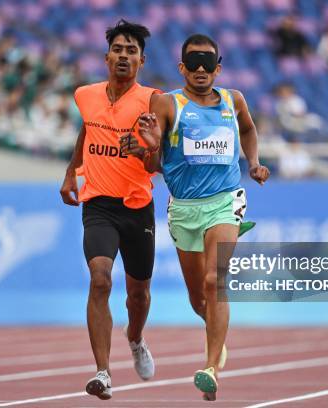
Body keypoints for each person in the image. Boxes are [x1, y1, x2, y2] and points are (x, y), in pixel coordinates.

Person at [122, 34, 270, 401]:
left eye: (209, 64)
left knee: (213, 278)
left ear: (218, 68)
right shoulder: (167, 102)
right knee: (198, 299)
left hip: (225, 201)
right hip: (184, 208)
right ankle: (217, 337)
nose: (201, 70)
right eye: (194, 63)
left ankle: (211, 368)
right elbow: (152, 163)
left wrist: (253, 163)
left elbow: (249, 129)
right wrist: (151, 146)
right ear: (181, 67)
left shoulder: (234, 100)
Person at [59, 19, 161, 401]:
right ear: (106, 57)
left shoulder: (153, 101)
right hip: (98, 202)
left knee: (139, 294)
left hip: (137, 206)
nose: (123, 55)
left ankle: (135, 338)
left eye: (131, 51)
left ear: (142, 61)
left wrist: (147, 150)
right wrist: (72, 172)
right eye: (118, 49)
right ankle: (102, 372)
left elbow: (159, 164)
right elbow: (87, 130)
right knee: (100, 279)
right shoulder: (85, 94)